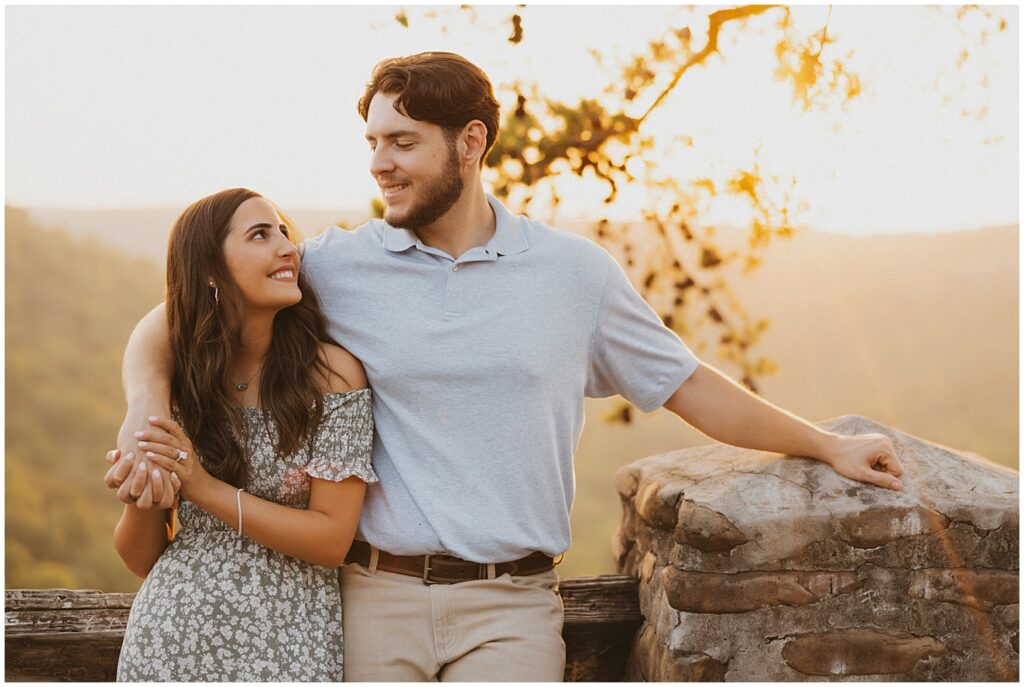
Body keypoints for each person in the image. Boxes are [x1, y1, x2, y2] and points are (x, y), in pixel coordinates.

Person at [109, 53, 903, 681]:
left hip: (511, 601)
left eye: (402, 142)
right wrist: (146, 407)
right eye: (373, 143)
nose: (380, 164)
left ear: (471, 142)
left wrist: (823, 444)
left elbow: (687, 384)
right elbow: (181, 314)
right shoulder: (336, 263)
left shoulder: (573, 274)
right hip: (373, 596)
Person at [105, 188, 375, 681]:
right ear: (211, 270)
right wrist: (141, 490)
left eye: (283, 233)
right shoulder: (180, 382)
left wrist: (202, 486)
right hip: (169, 641)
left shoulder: (332, 375)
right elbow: (141, 556)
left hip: (292, 643)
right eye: (259, 235)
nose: (286, 247)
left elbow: (332, 539)